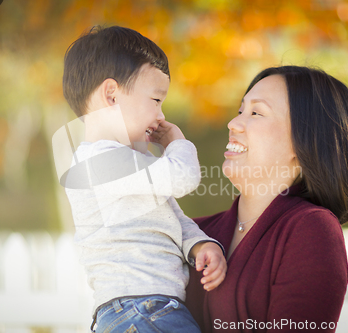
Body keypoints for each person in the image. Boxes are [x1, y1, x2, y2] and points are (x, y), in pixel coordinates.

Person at [61, 26, 227, 333]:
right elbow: (184, 177)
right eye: (155, 99)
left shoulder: (132, 164)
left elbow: (171, 216)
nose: (161, 116)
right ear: (111, 94)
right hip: (139, 308)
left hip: (145, 309)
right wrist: (177, 141)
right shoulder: (97, 163)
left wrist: (199, 243)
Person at [185, 66, 348, 333]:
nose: (233, 124)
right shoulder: (193, 233)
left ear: (304, 139)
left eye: (256, 113)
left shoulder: (312, 231)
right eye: (240, 111)